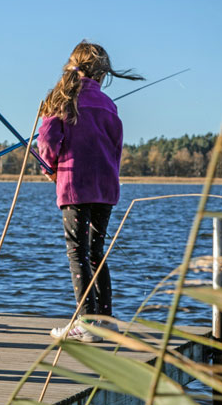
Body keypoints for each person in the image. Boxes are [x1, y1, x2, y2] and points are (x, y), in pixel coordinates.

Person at [37, 40, 143, 342]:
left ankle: (85, 322)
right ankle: (105, 321)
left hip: (74, 187)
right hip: (106, 187)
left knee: (77, 252)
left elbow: (46, 138)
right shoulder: (109, 104)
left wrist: (48, 166)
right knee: (96, 251)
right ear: (101, 73)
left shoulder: (62, 99)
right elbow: (116, 147)